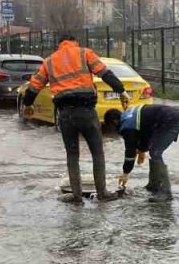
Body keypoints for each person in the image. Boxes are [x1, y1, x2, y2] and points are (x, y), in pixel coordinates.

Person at [22, 34, 128, 203]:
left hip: (65, 115)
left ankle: (76, 196)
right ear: (75, 42)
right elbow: (105, 73)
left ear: (59, 45)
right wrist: (121, 90)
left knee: (72, 155)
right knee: (97, 153)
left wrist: (27, 104)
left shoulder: (49, 61)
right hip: (87, 111)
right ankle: (102, 193)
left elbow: (35, 86)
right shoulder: (84, 53)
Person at [117, 103, 179, 201]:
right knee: (153, 150)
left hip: (172, 120)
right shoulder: (129, 116)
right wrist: (142, 149)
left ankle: (165, 193)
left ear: (114, 122)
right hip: (173, 117)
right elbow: (147, 132)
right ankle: (154, 185)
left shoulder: (127, 125)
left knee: (155, 152)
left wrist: (125, 172)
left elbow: (130, 150)